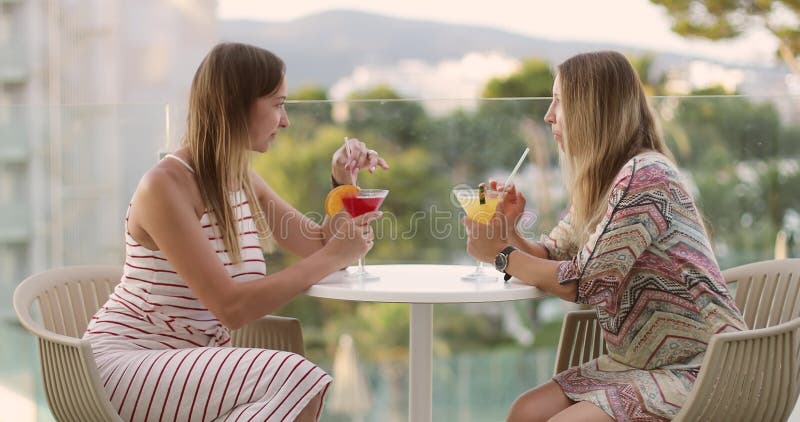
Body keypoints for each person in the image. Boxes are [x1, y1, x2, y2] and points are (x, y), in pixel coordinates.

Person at [83, 42, 389, 422]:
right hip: (126, 364)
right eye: (277, 104)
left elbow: (318, 246)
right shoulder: (165, 186)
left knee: (294, 383)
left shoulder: (242, 180)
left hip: (189, 366)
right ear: (235, 104)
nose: (285, 120)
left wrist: (343, 181)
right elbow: (232, 308)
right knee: (297, 379)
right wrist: (333, 256)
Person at [463, 51, 746, 421]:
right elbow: (553, 257)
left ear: (593, 109)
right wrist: (510, 232)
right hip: (638, 365)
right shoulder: (606, 183)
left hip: (701, 370)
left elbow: (584, 282)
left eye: (560, 102)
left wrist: (499, 254)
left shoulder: (646, 177)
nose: (548, 115)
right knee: (525, 412)